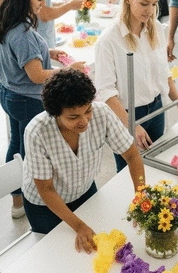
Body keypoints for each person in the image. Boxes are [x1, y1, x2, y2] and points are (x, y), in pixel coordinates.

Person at [0, 0, 85, 219]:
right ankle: (36, 198)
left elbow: (20, 59)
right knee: (32, 153)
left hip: (8, 94)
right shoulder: (21, 33)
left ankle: (16, 199)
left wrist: (46, 51)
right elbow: (37, 75)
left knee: (16, 144)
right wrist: (67, 71)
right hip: (27, 99)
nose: (44, 5)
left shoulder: (1, 18)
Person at [22, 69, 145, 253]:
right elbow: (46, 189)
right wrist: (78, 226)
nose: (84, 121)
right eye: (73, 117)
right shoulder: (37, 132)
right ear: (55, 113)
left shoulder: (101, 112)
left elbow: (132, 156)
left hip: (84, 190)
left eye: (87, 111)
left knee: (93, 249)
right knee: (57, 255)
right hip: (44, 205)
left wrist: (140, 196)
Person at [95, 0, 178, 172]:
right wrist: (132, 124)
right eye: (144, 3)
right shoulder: (109, 40)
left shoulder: (156, 28)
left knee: (157, 168)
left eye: (154, 3)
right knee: (128, 173)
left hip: (157, 109)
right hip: (126, 115)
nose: (150, 10)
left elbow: (164, 73)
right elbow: (105, 92)